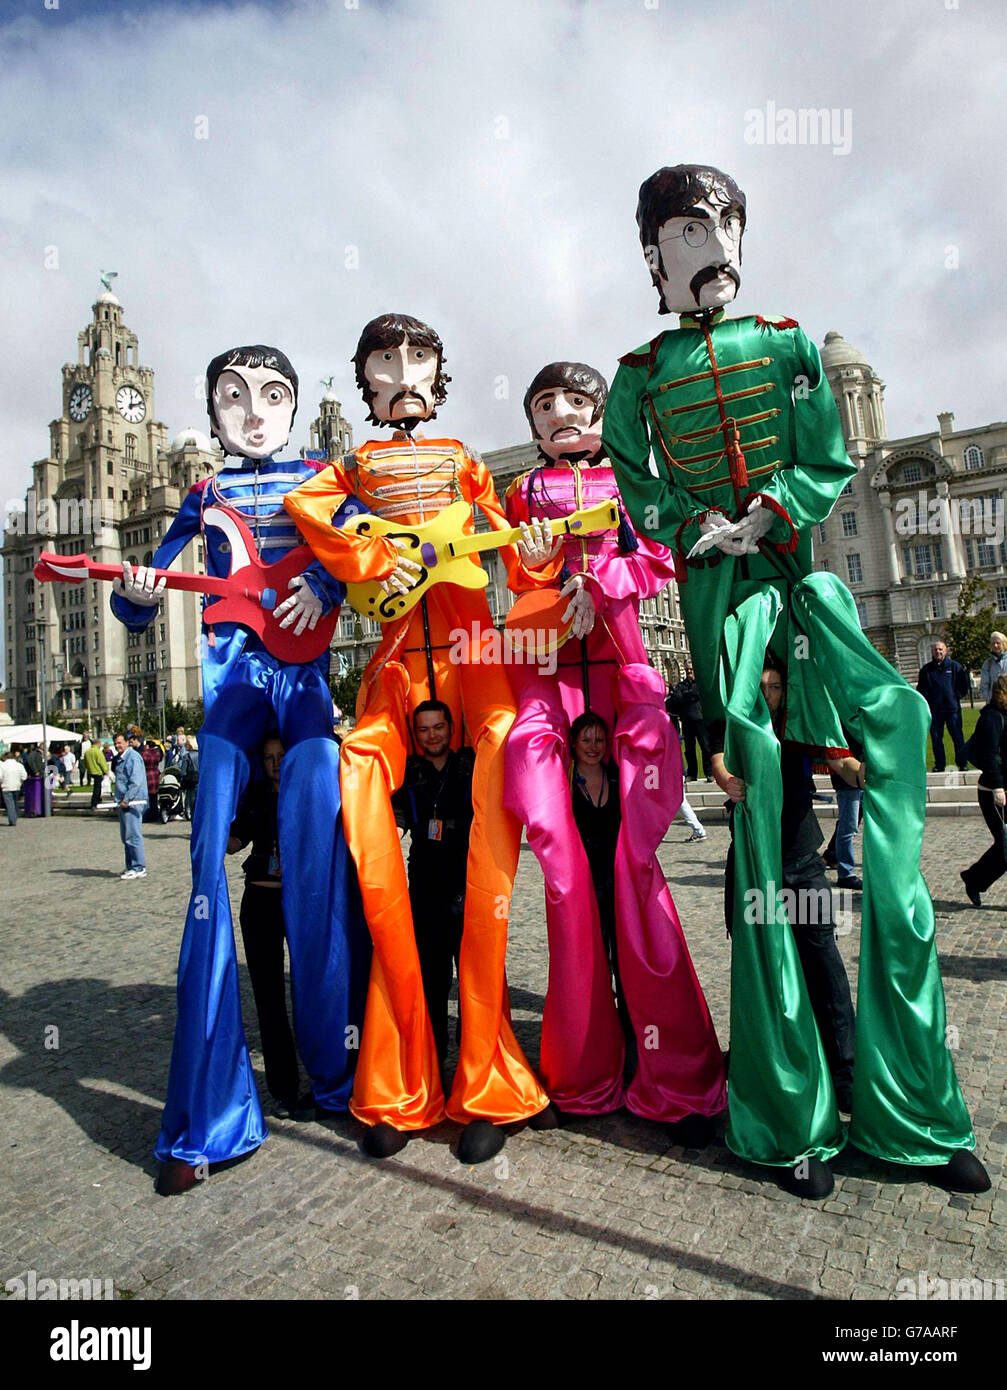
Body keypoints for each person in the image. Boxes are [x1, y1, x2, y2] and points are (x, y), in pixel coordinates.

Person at [604, 161, 987, 1197]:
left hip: (799, 590)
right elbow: (634, 482)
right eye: (690, 230)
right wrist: (697, 528)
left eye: (727, 222)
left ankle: (903, 1100)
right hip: (722, 604)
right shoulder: (638, 372)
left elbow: (818, 453)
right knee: (773, 878)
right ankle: (790, 1109)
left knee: (888, 823)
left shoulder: (786, 344)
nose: (716, 242)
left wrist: (767, 512)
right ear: (654, 255)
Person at [285, 313, 552, 1164]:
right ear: (364, 380)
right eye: (385, 361)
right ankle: (398, 1082)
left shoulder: (465, 459)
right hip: (399, 652)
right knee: (360, 764)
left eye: (417, 359)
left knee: (503, 749)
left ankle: (485, 1079)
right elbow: (310, 507)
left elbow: (504, 545)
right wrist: (368, 563)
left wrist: (541, 557)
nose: (403, 372)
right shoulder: (354, 464)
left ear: (438, 375)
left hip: (473, 646)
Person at [112, 342, 370, 1197]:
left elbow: (368, 564)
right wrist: (140, 593)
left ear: (294, 406)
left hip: (301, 688)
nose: (252, 412)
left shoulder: (329, 480)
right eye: (232, 397)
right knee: (201, 889)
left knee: (322, 876)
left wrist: (329, 593)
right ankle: (206, 1118)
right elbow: (133, 602)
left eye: (270, 395)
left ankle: (336, 1079)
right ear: (214, 409)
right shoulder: (203, 489)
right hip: (227, 687)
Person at [503, 361, 725, 1134]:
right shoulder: (522, 492)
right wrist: (537, 566)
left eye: (574, 400)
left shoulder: (629, 481)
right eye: (543, 404)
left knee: (634, 867)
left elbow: (659, 556)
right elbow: (512, 572)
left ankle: (674, 1067)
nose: (559, 412)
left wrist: (603, 584)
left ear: (600, 410)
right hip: (551, 680)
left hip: (621, 676)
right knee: (566, 880)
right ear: (532, 424)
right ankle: (583, 1068)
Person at [717, 655, 858, 1115]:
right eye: (761, 687)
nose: (768, 694)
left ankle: (844, 1069)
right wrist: (728, 779)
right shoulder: (740, 728)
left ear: (785, 692)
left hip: (801, 861)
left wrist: (864, 773)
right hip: (756, 865)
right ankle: (764, 1061)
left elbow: (840, 760)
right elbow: (720, 757)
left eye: (775, 686)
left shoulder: (798, 728)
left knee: (824, 960)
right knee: (761, 965)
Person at [226, 732, 314, 1121]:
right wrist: (210, 815)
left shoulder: (309, 793)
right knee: (269, 997)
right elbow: (233, 843)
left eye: (281, 756)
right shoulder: (257, 797)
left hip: (298, 903)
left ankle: (325, 1077)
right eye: (268, 757)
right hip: (260, 902)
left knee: (309, 992)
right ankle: (284, 1087)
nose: (275, 764)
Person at [392, 702, 474, 1076]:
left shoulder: (469, 765)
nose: (432, 735)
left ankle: (476, 1062)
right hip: (424, 890)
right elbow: (395, 817)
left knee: (474, 984)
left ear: (451, 727)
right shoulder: (408, 771)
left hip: (468, 887)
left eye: (438, 727)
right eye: (423, 730)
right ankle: (434, 1062)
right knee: (432, 983)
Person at [960, 674, 1007, 907]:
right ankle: (975, 878)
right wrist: (998, 786)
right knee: (1005, 846)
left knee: (1005, 847)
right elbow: (989, 754)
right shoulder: (991, 717)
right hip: (993, 791)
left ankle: (974, 878)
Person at [917, 640, 970, 772]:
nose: (938, 652)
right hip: (935, 711)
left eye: (940, 649)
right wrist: (929, 701)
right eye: (935, 649)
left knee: (958, 737)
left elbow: (963, 686)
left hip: (953, 710)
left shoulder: (955, 667)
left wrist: (954, 696)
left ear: (946, 651)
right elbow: (921, 689)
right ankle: (939, 764)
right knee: (936, 739)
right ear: (932, 652)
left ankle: (962, 763)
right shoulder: (926, 670)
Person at [113, 732, 148, 880]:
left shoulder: (133, 757)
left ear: (127, 742)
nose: (117, 745)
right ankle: (130, 866)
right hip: (123, 803)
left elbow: (136, 781)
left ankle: (139, 866)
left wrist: (127, 798)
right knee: (126, 836)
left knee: (133, 835)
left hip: (133, 803)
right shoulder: (121, 759)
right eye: (116, 743)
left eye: (120, 742)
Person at [668, 664, 712, 781]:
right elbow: (677, 698)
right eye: (687, 670)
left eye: (691, 669)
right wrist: (690, 695)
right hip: (687, 721)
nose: (689, 671)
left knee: (705, 747)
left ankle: (709, 772)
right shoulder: (681, 685)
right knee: (689, 749)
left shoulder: (700, 684)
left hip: (700, 719)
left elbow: (697, 693)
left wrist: (687, 695)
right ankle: (692, 774)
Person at [979, 632, 1007, 704]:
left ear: (1004, 644)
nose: (995, 645)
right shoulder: (988, 663)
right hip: (994, 702)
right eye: (993, 643)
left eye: (998, 643)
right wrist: (989, 699)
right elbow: (984, 685)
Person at [1, 750, 27, 825]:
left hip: (6, 786)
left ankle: (12, 820)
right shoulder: (19, 765)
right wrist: (20, 782)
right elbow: (24, 776)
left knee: (9, 804)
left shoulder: (2, 765)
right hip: (17, 786)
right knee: (15, 802)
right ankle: (14, 816)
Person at [83, 737, 110, 811]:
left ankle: (97, 799)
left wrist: (88, 769)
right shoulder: (98, 751)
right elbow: (102, 762)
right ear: (98, 743)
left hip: (91, 771)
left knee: (96, 786)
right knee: (97, 788)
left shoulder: (87, 752)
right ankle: (95, 802)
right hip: (98, 771)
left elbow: (85, 762)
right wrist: (106, 771)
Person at [177, 735, 199, 821]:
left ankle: (194, 827)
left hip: (191, 784)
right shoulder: (203, 755)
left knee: (192, 806)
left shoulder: (187, 756)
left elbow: (183, 772)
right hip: (202, 783)